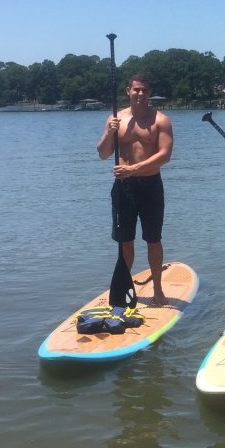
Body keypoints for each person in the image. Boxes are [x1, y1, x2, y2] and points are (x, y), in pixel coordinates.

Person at [97, 74, 174, 306]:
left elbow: (165, 155)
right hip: (123, 188)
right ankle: (123, 287)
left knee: (153, 240)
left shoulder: (160, 120)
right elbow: (103, 154)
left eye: (144, 90)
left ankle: (158, 289)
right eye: (136, 90)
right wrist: (109, 133)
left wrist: (134, 168)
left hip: (151, 186)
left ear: (150, 93)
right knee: (125, 242)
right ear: (128, 91)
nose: (140, 94)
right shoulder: (116, 119)